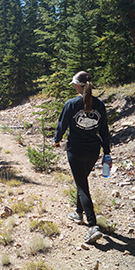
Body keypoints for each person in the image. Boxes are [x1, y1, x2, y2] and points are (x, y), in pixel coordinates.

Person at [54, 71, 111, 244]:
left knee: (82, 186)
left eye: (74, 84)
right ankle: (78, 213)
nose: (73, 86)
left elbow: (62, 123)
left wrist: (57, 139)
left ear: (78, 85)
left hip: (75, 150)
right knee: (82, 182)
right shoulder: (99, 105)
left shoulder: (71, 104)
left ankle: (93, 225)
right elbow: (104, 131)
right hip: (93, 151)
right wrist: (107, 152)